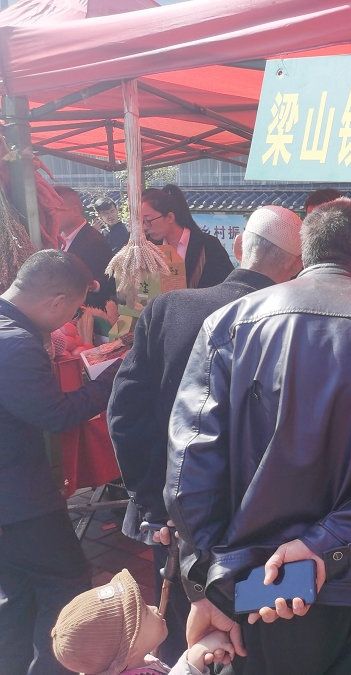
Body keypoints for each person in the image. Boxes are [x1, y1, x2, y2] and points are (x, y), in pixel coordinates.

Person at [165, 198, 351, 674]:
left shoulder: (231, 324)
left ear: (305, 255)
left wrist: (206, 583)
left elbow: (188, 467)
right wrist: (325, 543)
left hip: (261, 581)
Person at [108, 205, 303, 665]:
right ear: (298, 265)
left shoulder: (171, 308)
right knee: (258, 631)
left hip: (178, 520)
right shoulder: (299, 324)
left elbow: (125, 414)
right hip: (266, 529)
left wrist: (152, 504)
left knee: (184, 629)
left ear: (239, 246)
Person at [0, 250, 120, 675]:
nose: (72, 319)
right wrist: (110, 379)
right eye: (73, 310)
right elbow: (55, 414)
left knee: (17, 594)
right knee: (64, 585)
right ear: (56, 301)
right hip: (20, 501)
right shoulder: (15, 344)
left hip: (12, 499)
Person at [51, 569, 235, 675]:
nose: (154, 607)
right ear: (130, 650)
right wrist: (195, 655)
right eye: (145, 612)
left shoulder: (130, 664)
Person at [141, 185, 233, 289]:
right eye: (142, 222)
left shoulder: (209, 246)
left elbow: (227, 286)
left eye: (148, 220)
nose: (145, 227)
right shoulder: (149, 248)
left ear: (170, 217)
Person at [55, 186, 116, 309]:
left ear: (74, 211)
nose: (50, 216)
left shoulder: (94, 242)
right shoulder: (56, 238)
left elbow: (107, 284)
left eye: (55, 210)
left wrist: (94, 285)